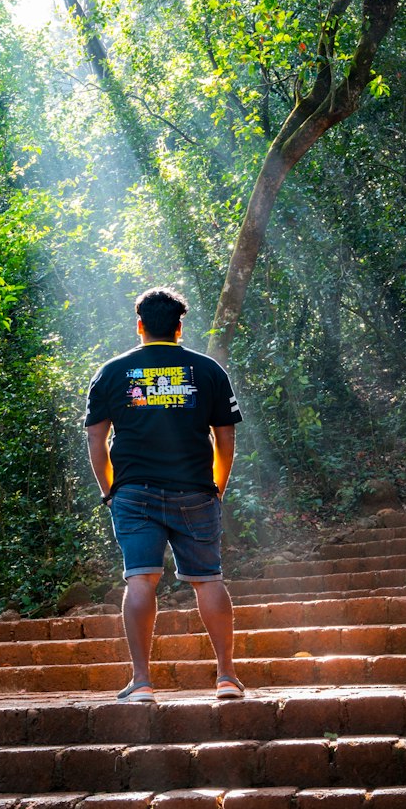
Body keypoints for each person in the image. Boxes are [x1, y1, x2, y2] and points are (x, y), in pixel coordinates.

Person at [84, 287, 244, 703]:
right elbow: (224, 439)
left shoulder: (112, 372)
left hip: (133, 492)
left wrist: (110, 491)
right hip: (195, 489)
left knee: (141, 579)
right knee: (208, 580)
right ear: (179, 327)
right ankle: (226, 678)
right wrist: (217, 489)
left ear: (140, 325)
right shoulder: (207, 370)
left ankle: (142, 682)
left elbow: (96, 439)